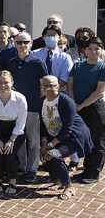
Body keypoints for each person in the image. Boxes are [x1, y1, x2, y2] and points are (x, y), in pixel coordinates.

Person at [38, 76, 93, 199]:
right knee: (45, 155)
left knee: (54, 154)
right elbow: (42, 124)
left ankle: (69, 186)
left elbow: (67, 128)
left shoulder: (66, 102)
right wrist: (44, 144)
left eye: (51, 86)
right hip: (57, 135)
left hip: (74, 136)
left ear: (58, 86)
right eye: (44, 86)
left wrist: (50, 145)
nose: (47, 89)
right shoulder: (41, 101)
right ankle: (58, 181)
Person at [6, 31, 48, 183]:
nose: (22, 45)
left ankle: (32, 169)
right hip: (15, 109)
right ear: (14, 43)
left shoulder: (38, 63)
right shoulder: (11, 63)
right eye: (19, 42)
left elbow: (44, 86)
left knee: (34, 141)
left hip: (33, 108)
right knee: (20, 141)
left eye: (26, 42)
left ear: (31, 43)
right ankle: (23, 167)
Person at [68, 37, 105, 184]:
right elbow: (70, 85)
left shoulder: (102, 67)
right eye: (90, 48)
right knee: (85, 140)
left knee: (97, 141)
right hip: (77, 106)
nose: (93, 51)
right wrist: (72, 102)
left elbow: (100, 91)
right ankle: (85, 170)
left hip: (94, 108)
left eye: (97, 48)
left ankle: (93, 172)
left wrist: (82, 105)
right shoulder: (78, 65)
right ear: (85, 50)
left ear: (101, 50)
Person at [0, 70, 27, 194]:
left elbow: (21, 122)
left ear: (12, 83)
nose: (3, 86)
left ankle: (12, 181)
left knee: (10, 154)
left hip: (15, 130)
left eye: (6, 82)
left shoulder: (20, 99)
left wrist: (11, 140)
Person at [33, 25, 73, 92]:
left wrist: (52, 91)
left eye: (53, 35)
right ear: (43, 37)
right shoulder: (35, 54)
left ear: (59, 37)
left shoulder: (65, 57)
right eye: (48, 35)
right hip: (37, 92)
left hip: (58, 92)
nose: (50, 37)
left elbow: (64, 78)